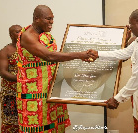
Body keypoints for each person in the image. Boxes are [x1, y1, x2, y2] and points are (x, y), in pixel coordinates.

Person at [16, 5, 91, 133]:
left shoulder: (45, 35)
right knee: (37, 127)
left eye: (52, 19)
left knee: (54, 126)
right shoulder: (28, 36)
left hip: (51, 91)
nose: (51, 22)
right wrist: (80, 55)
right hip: (34, 95)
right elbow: (48, 55)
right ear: (37, 19)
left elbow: (54, 57)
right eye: (48, 19)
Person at [0, 25, 22, 133]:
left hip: (26, 92)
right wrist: (22, 80)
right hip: (10, 94)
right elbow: (3, 73)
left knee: (28, 120)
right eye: (17, 32)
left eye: (22, 31)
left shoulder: (28, 49)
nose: (21, 33)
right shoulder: (5, 51)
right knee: (11, 123)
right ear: (11, 35)